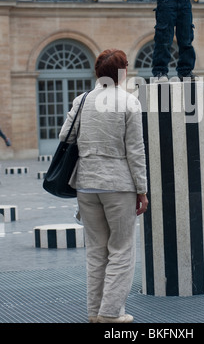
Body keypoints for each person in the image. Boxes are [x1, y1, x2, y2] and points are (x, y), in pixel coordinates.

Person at [59, 49, 148, 324]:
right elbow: (135, 150)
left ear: (98, 72)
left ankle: (94, 312)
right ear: (122, 72)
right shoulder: (129, 102)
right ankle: (110, 314)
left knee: (96, 250)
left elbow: (65, 135)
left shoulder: (82, 100)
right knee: (121, 250)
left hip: (86, 183)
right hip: (118, 184)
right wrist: (142, 190)